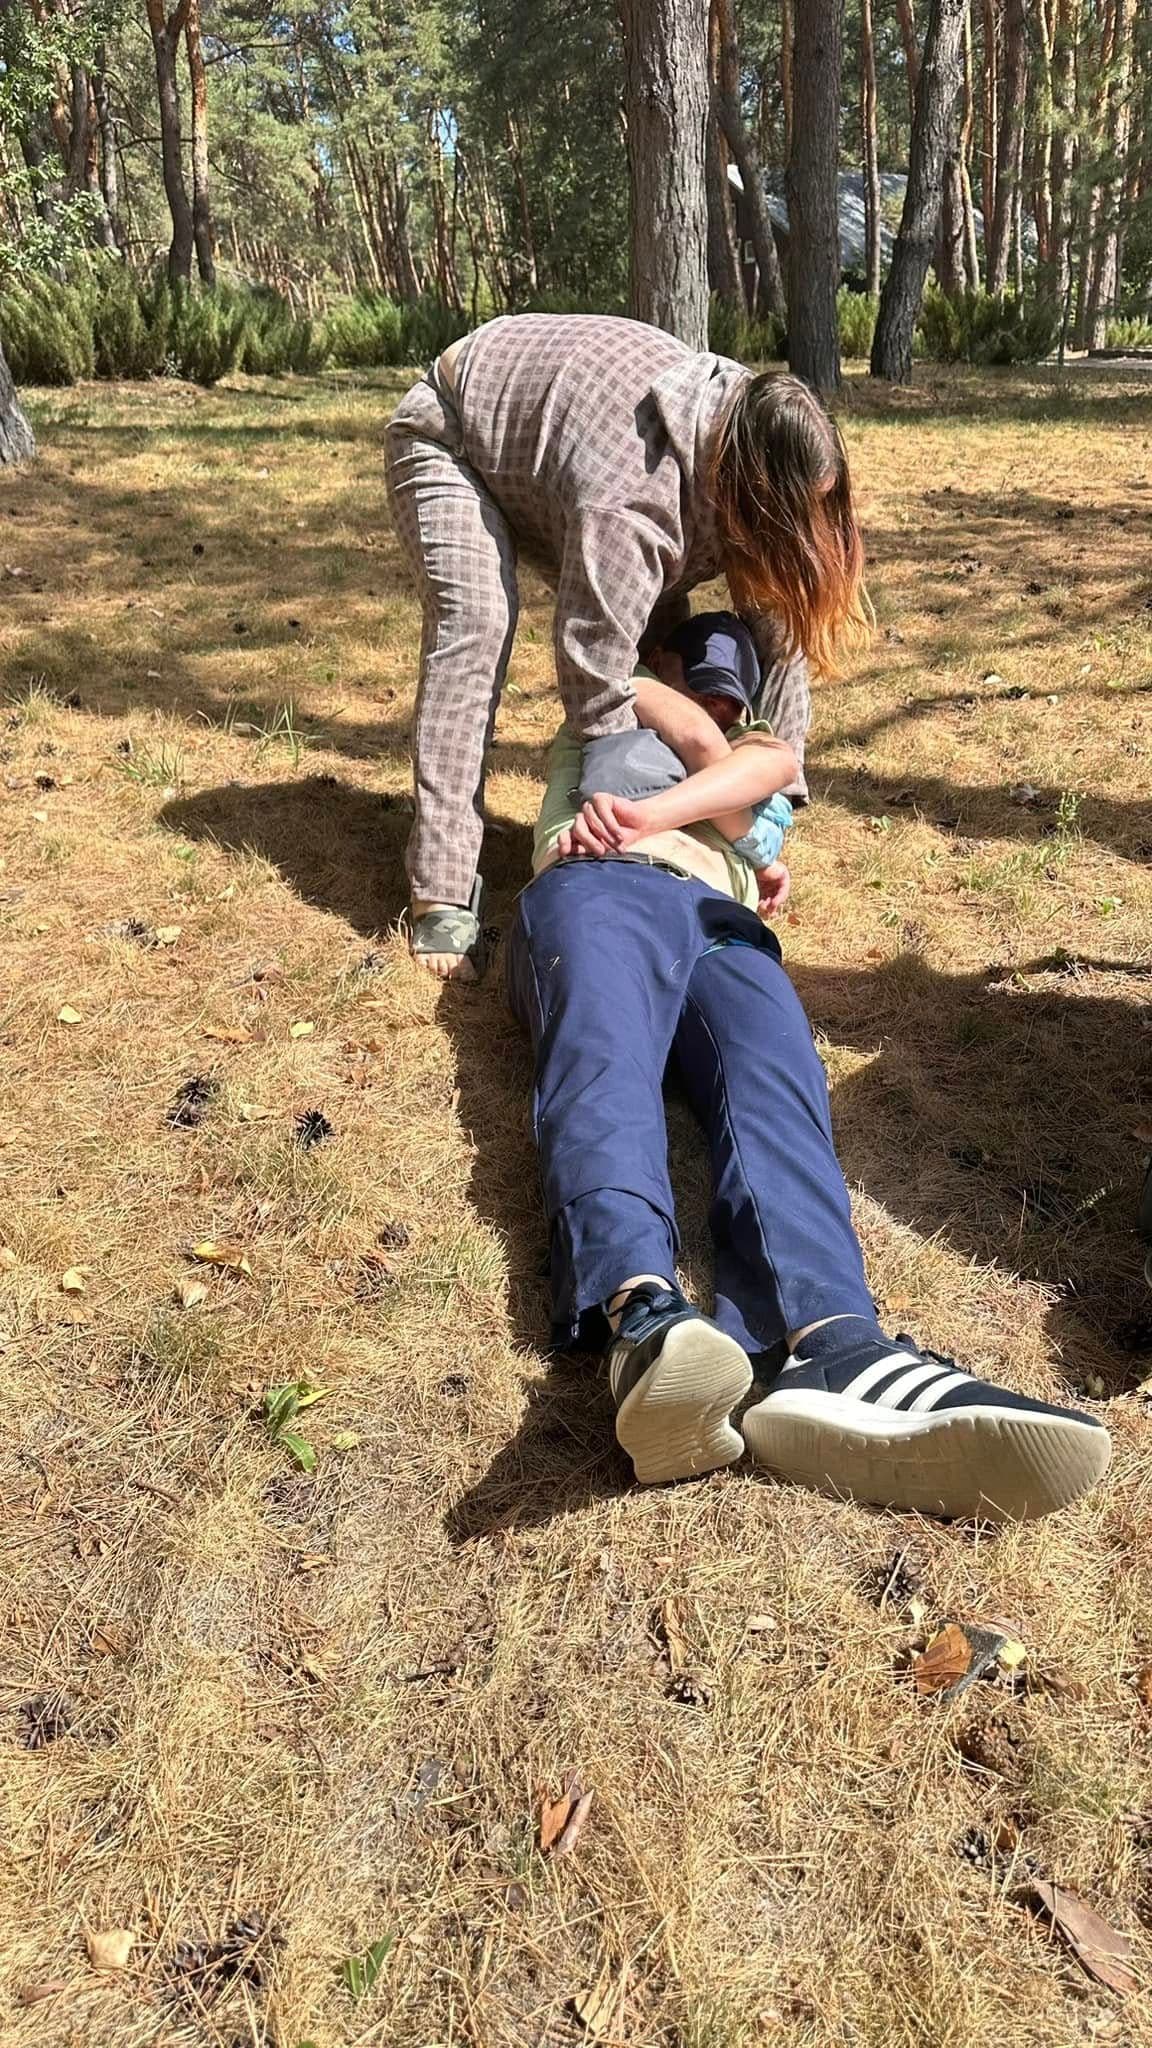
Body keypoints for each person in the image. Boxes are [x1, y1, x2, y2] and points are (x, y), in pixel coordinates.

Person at [503, 673, 1113, 1524]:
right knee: (603, 1067)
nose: (714, 689)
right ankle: (640, 1314)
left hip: (719, 921)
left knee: (778, 1087)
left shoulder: (754, 745)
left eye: (730, 675)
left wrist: (675, 816)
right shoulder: (610, 698)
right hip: (596, 884)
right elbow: (676, 721)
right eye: (699, 666)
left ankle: (836, 1343)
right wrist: (712, 795)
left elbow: (765, 764)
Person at [384, 312, 867, 980]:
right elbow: (596, 680)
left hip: (581, 460)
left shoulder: (757, 423)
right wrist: (633, 820)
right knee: (478, 623)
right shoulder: (632, 504)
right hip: (456, 434)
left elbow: (779, 622)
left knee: (699, 636)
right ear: (748, 496)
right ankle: (442, 887)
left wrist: (764, 810)